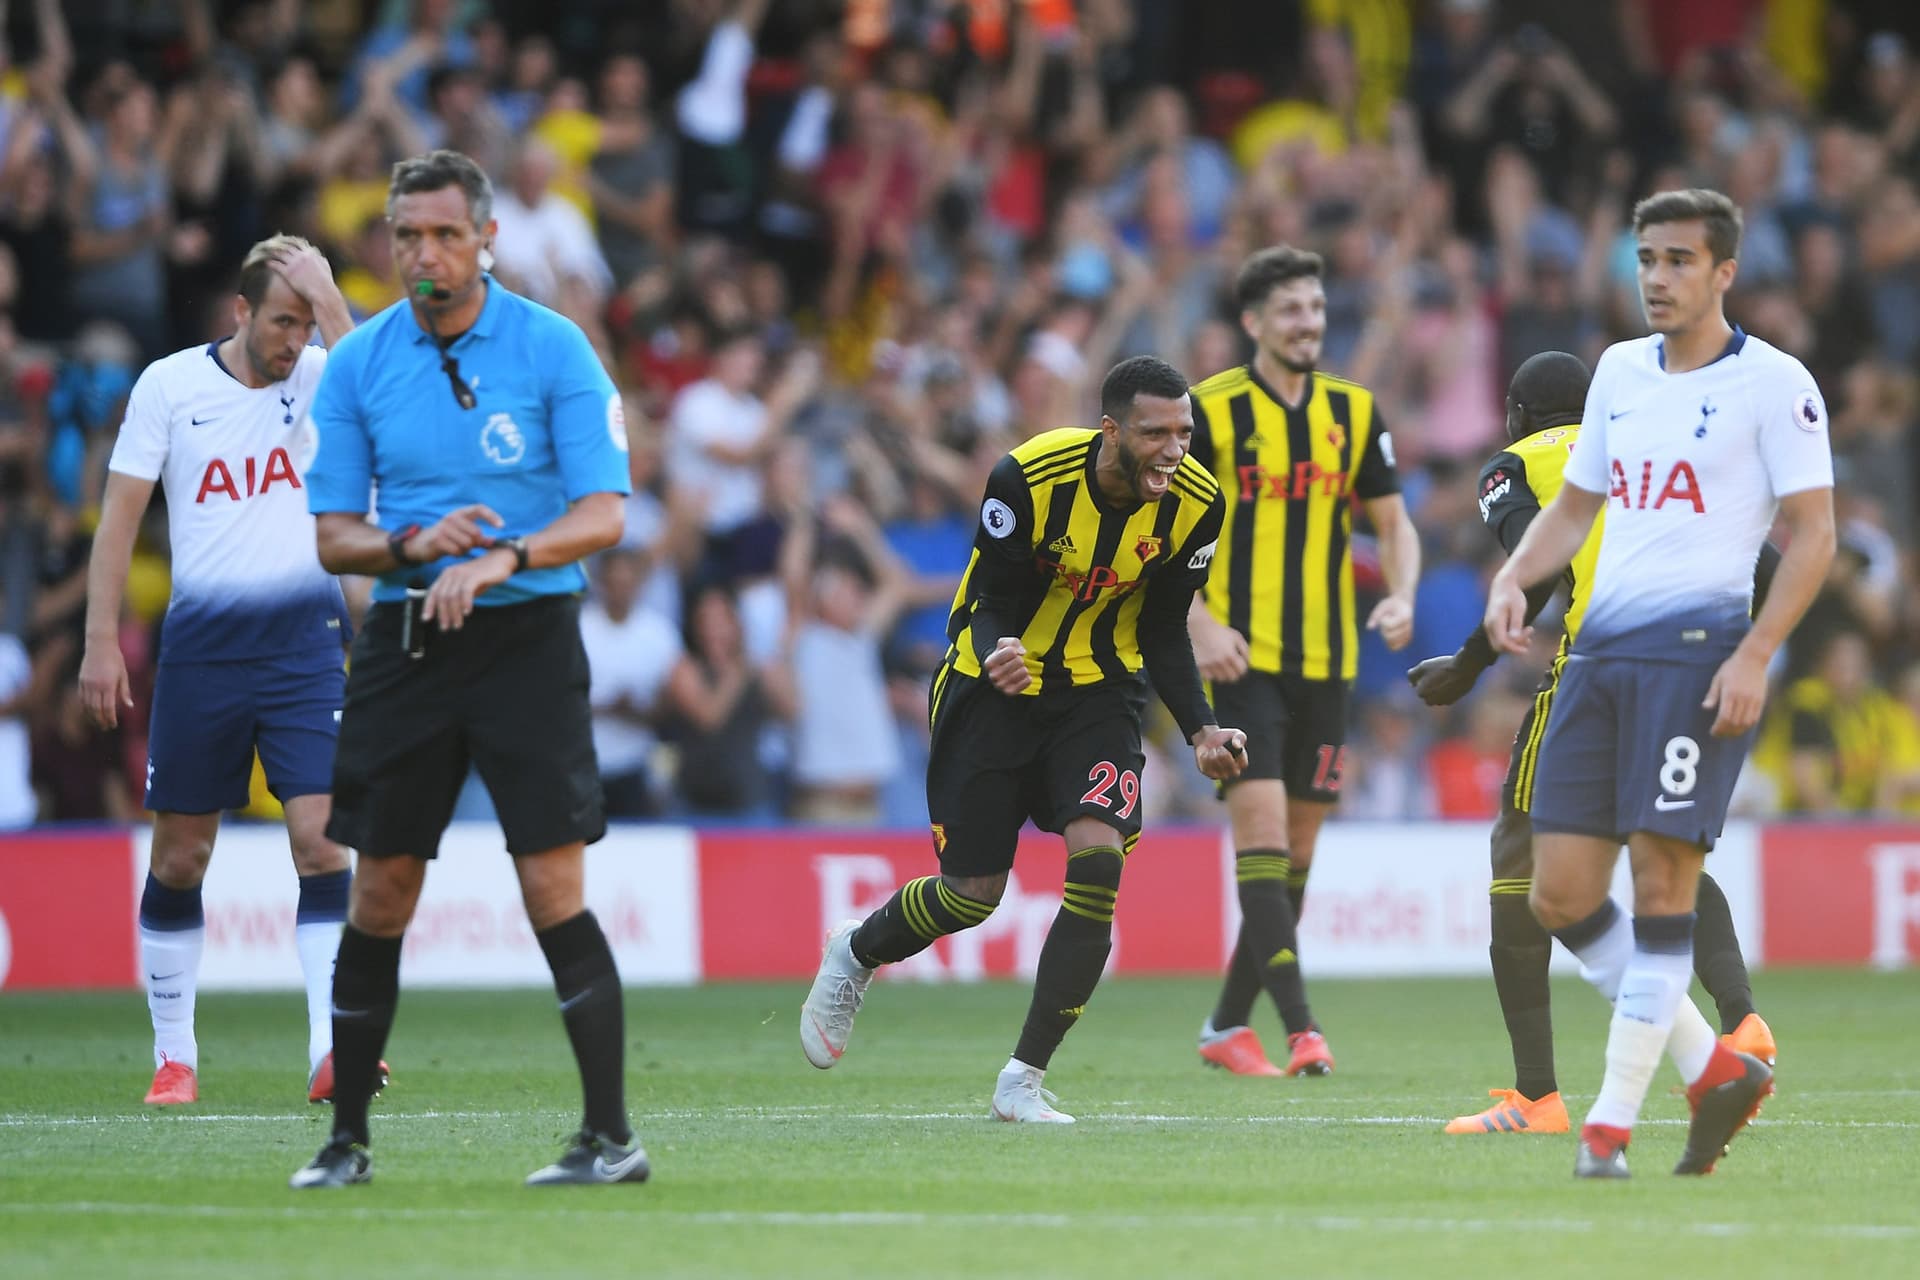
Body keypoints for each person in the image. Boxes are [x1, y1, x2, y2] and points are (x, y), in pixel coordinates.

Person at [288, 150, 642, 1189]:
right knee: (381, 890)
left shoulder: (554, 346)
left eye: (444, 234)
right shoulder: (358, 366)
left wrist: (501, 556)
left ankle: (610, 1137)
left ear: (486, 238)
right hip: (407, 642)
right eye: (407, 235)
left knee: (550, 886)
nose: (425, 254)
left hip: (528, 639)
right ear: (388, 241)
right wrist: (415, 545)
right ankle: (346, 1139)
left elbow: (606, 512)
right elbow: (334, 537)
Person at [1484, 189, 1835, 1178]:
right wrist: (1513, 580)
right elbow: (1576, 504)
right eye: (1646, 258)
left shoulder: (1775, 383)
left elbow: (1813, 536)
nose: (1656, 277)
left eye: (1679, 259)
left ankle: (1607, 1122)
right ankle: (1712, 1064)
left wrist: (1757, 651)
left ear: (1725, 271)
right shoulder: (1616, 373)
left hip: (1697, 656)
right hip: (1596, 658)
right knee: (1558, 891)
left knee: (1661, 879)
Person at [798, 355, 1248, 1122]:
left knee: (1098, 862)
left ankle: (1023, 1080)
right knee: (972, 894)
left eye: (1185, 432)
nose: (1175, 449)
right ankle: (858, 951)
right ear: (1111, 431)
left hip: (1100, 693)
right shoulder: (1029, 477)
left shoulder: (1197, 500)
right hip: (991, 687)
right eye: (1155, 433)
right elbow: (989, 600)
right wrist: (1004, 648)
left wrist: (1202, 725)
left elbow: (1167, 627)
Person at [1407, 350, 1779, 1139]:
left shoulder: (1518, 464)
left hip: (1600, 670)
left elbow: (1531, 566)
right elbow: (1769, 566)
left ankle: (1535, 1096)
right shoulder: (1654, 452)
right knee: (1659, 852)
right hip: (1699, 669)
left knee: (1518, 852)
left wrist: (1466, 668)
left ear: (1515, 415)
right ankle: (1744, 1025)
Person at [78, 234, 364, 1107]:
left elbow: (384, 393)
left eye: (306, 321)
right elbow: (120, 520)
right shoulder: (170, 386)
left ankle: (332, 1048)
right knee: (181, 856)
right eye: (283, 320)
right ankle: (175, 1057)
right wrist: (99, 641)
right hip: (202, 652)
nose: (294, 339)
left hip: (307, 643)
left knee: (320, 838)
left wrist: (328, 293)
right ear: (239, 313)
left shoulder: (321, 372)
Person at [1182, 245, 1421, 1077]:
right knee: (1264, 835)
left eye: (1316, 309)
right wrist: (1198, 619)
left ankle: (1222, 1026)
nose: (1308, 323)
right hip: (1240, 661)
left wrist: (1401, 594)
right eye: (1290, 310)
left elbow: (1393, 523)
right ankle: (1301, 1028)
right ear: (1252, 323)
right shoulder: (1206, 413)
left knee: (1298, 859)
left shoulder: (1354, 413)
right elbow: (1156, 536)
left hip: (1328, 662)